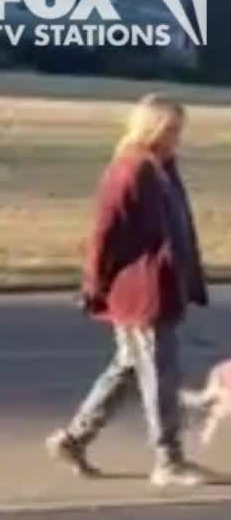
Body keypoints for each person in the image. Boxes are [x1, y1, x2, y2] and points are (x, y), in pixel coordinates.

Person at [46, 93, 210, 487]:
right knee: (159, 375)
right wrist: (94, 285)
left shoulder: (163, 167)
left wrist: (189, 277)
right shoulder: (130, 171)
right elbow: (105, 236)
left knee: (128, 368)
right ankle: (167, 461)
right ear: (150, 128)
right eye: (170, 130)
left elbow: (179, 229)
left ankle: (75, 439)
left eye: (178, 130)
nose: (175, 138)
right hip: (142, 292)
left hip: (162, 286)